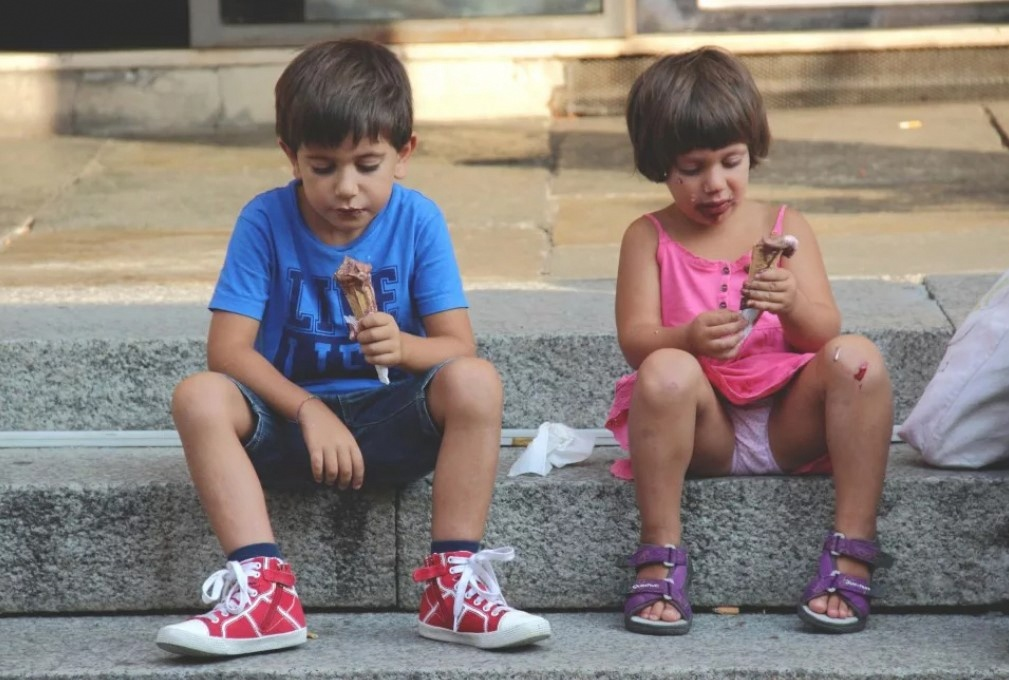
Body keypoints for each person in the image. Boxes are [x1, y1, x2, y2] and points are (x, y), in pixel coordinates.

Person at [155, 38, 551, 657]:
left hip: (389, 425)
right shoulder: (265, 221)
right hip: (290, 428)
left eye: (368, 165)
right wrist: (308, 409)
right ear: (290, 156)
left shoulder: (418, 220)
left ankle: (452, 583)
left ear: (404, 154)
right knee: (198, 396)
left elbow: (458, 347)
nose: (346, 189)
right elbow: (227, 353)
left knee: (477, 381)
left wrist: (404, 346)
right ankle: (263, 592)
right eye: (322, 167)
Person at [605, 46, 894, 636]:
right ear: (660, 164)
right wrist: (686, 337)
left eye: (730, 161)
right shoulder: (647, 237)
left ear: (752, 150)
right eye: (692, 168)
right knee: (663, 368)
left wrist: (792, 306)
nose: (715, 184)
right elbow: (635, 341)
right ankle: (660, 551)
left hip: (790, 421)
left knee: (858, 358)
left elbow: (824, 334)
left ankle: (852, 545)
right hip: (703, 428)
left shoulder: (785, 226)